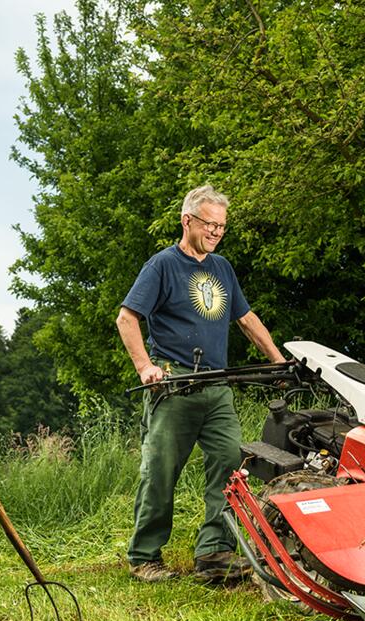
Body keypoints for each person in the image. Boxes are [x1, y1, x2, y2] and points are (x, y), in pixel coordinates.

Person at [116, 185, 285, 583]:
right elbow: (127, 318)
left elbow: (245, 319)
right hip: (174, 385)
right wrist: (145, 367)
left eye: (222, 227)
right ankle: (144, 557)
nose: (215, 232)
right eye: (209, 224)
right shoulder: (162, 265)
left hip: (217, 386)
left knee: (230, 464)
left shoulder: (222, 268)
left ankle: (214, 552)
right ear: (187, 220)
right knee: (160, 471)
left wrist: (278, 361)